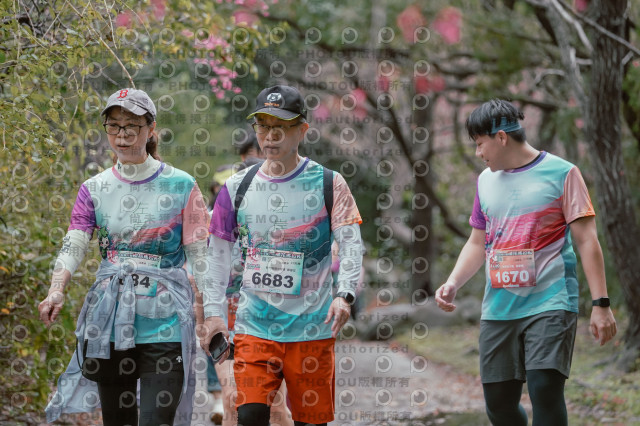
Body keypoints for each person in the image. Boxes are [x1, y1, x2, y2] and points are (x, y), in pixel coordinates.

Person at [434, 99, 617, 426]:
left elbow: (588, 240)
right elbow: (477, 242)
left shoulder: (563, 173)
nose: (478, 152)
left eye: (480, 143)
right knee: (499, 404)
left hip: (551, 302)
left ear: (501, 137)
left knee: (545, 390)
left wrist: (601, 304)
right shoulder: (485, 181)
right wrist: (453, 282)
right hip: (499, 308)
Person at [39, 88, 211, 426]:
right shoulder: (94, 188)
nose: (122, 134)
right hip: (110, 323)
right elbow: (75, 241)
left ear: (151, 129)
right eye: (114, 125)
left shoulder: (182, 185)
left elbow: (200, 255)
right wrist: (56, 288)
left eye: (132, 125)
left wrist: (209, 312)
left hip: (166, 325)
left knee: (156, 420)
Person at [196, 85, 364, 426]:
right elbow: (217, 258)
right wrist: (213, 313)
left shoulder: (329, 183)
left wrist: (345, 294)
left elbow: (350, 244)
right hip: (254, 326)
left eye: (281, 127)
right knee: (249, 415)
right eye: (263, 126)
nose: (270, 136)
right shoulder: (235, 188)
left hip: (312, 329)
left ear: (302, 130)